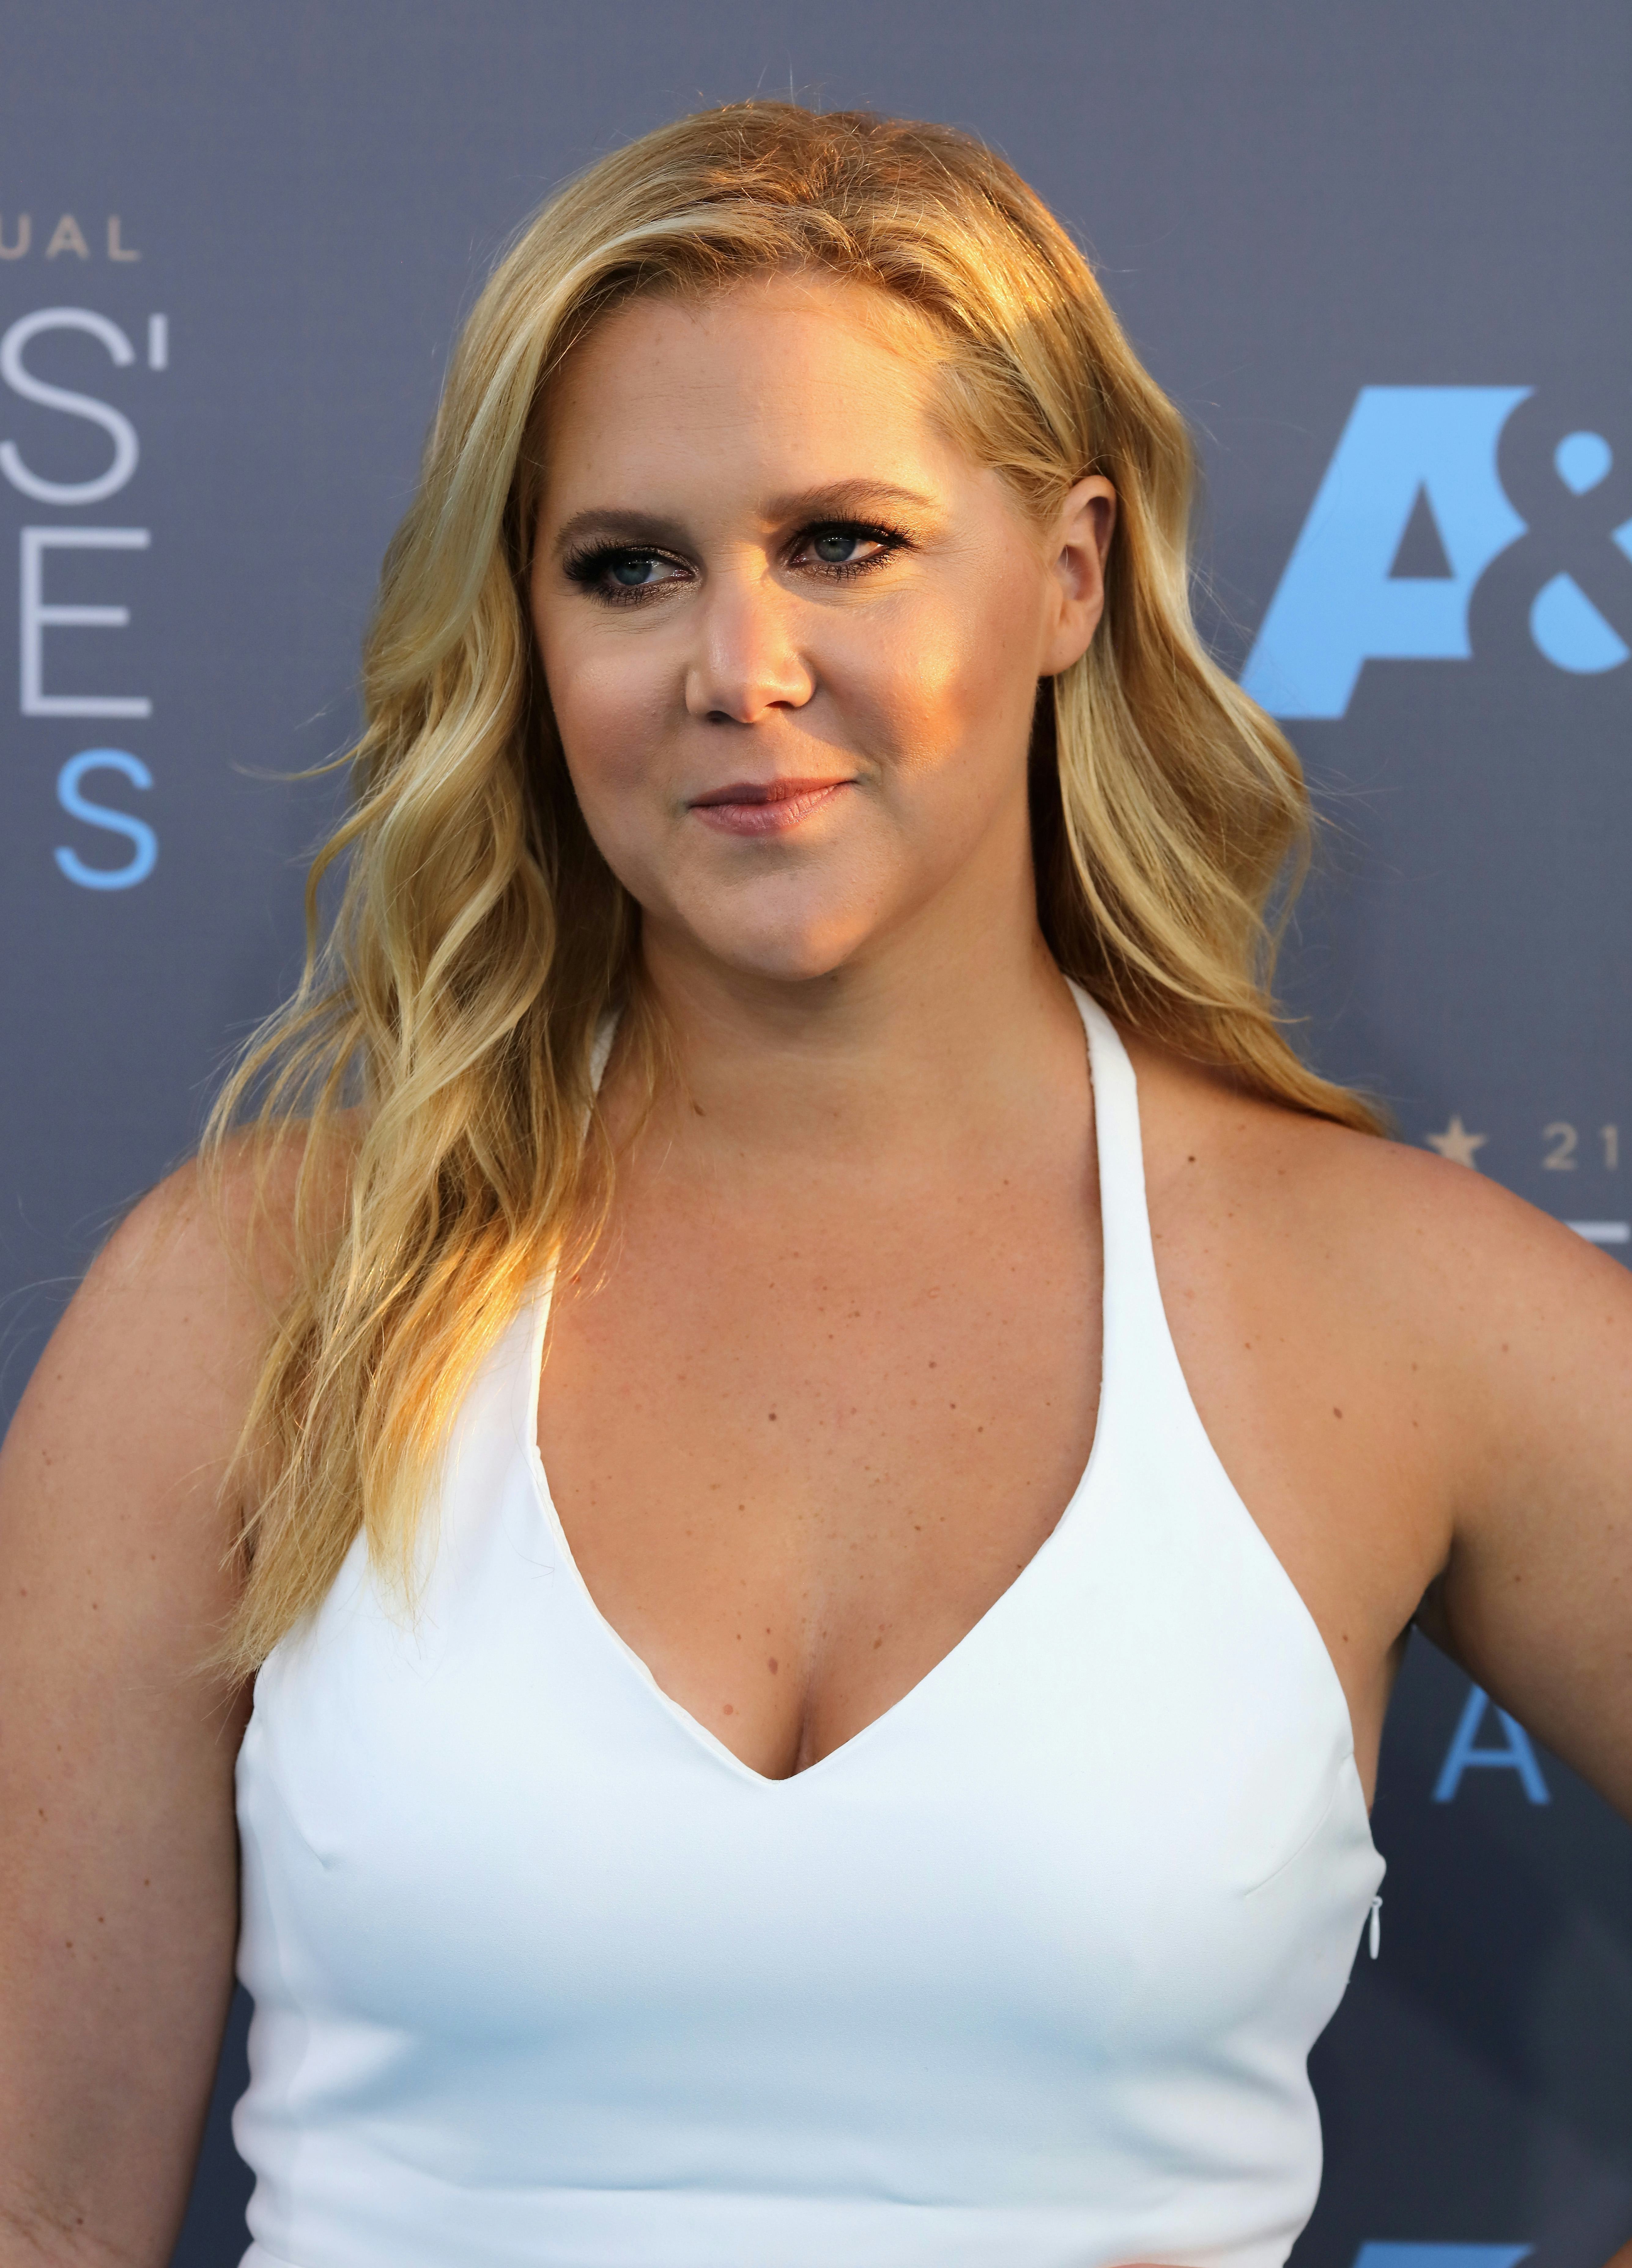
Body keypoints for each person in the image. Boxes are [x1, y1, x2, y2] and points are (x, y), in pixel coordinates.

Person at [1, 99, 1628, 2268]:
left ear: (1068, 574)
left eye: (844, 543)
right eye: (629, 565)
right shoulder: (255, 1294)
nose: (738, 669)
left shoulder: (1389, 1307)